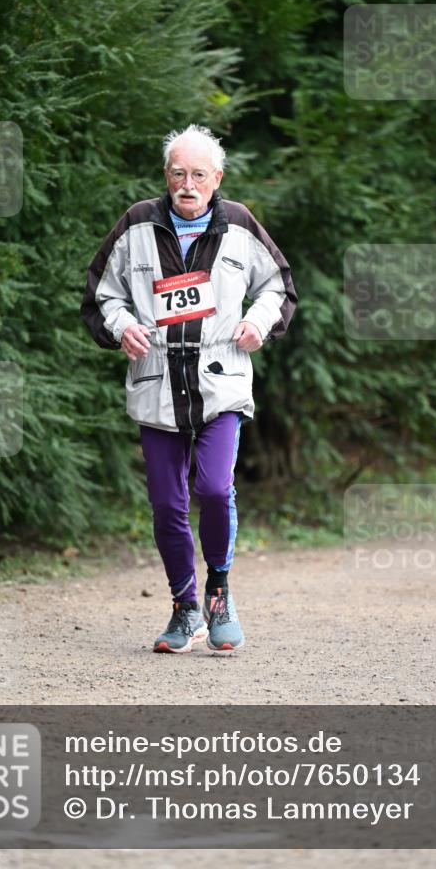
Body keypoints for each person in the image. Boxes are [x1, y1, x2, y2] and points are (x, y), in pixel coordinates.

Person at [80, 124, 298, 653]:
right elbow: (101, 294)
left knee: (215, 489)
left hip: (220, 383)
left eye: (198, 174)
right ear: (166, 176)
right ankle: (185, 607)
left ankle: (218, 591)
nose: (187, 183)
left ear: (216, 178)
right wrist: (121, 325)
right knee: (166, 502)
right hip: (157, 386)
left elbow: (278, 286)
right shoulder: (135, 224)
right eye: (178, 173)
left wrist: (260, 321)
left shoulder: (240, 225)